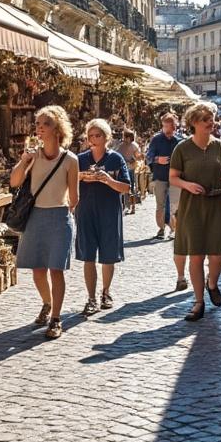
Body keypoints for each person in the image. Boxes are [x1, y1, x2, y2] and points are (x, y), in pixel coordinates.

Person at [9, 105, 80, 340]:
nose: (39, 128)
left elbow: (74, 196)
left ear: (57, 129)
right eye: (38, 123)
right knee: (38, 271)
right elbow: (15, 182)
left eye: (45, 123)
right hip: (36, 216)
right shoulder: (33, 155)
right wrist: (23, 161)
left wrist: (65, 213)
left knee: (56, 270)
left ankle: (56, 319)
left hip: (59, 217)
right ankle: (47, 303)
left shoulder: (70, 159)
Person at [169, 101, 221, 321]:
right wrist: (188, 185)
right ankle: (198, 302)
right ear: (194, 122)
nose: (211, 122)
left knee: (218, 254)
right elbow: (173, 177)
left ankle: (212, 282)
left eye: (212, 118)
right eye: (205, 119)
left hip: (216, 203)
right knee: (196, 256)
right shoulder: (182, 148)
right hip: (192, 205)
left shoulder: (219, 146)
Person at [75, 119, 132, 315]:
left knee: (108, 255)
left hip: (109, 211)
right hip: (86, 210)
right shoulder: (80, 159)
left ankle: (106, 292)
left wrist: (107, 180)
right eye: (90, 136)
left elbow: (126, 187)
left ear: (106, 137)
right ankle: (91, 298)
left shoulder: (115, 159)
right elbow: (68, 182)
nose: (93, 139)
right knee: (88, 255)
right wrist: (81, 177)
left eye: (97, 135)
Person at [145, 113, 187, 284]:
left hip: (176, 178)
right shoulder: (156, 140)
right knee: (160, 205)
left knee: (176, 206)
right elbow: (148, 156)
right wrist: (157, 159)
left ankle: (174, 230)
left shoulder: (180, 140)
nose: (171, 127)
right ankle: (161, 229)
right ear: (163, 125)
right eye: (168, 124)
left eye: (173, 124)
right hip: (161, 177)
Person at [117, 130, 143, 215]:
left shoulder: (134, 146)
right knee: (122, 187)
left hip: (131, 169)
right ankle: (124, 206)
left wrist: (134, 160)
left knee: (131, 188)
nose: (124, 138)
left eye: (125, 137)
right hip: (123, 169)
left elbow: (139, 157)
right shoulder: (121, 146)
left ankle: (133, 207)